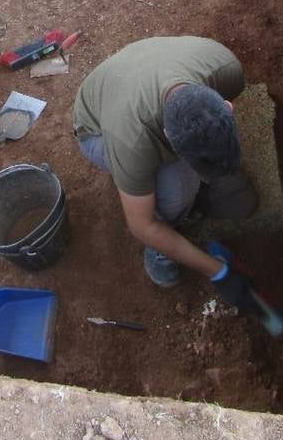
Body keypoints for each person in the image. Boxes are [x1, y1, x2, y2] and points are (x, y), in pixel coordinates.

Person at [73, 36, 260, 311]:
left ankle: (203, 179)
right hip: (97, 127)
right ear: (168, 140)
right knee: (176, 194)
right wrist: (217, 271)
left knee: (218, 191)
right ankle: (160, 251)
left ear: (226, 106)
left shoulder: (227, 70)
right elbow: (142, 225)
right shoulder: (132, 141)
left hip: (139, 72)